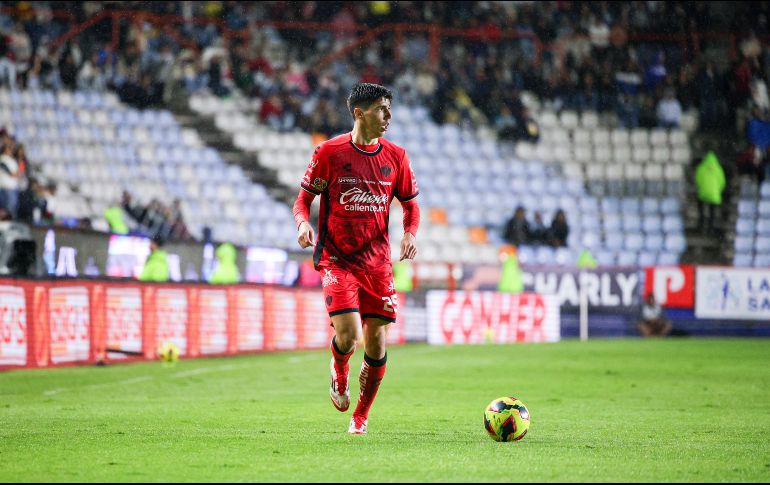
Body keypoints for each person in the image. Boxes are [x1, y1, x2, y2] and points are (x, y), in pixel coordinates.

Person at [292, 83, 420, 435]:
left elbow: (411, 207)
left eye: (390, 109)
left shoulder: (397, 157)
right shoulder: (329, 153)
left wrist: (410, 233)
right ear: (359, 113)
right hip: (337, 259)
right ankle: (340, 370)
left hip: (378, 264)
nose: (389, 116)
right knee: (348, 335)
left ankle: (360, 417)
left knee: (377, 343)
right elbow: (302, 200)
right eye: (382, 109)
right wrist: (303, 224)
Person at [694, 150, 726, 234]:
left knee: (701, 207)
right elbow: (722, 182)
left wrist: (702, 188)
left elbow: (697, 179)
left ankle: (701, 224)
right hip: (714, 195)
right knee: (712, 211)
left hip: (703, 193)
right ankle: (711, 227)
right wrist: (717, 191)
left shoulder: (701, 167)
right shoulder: (718, 169)